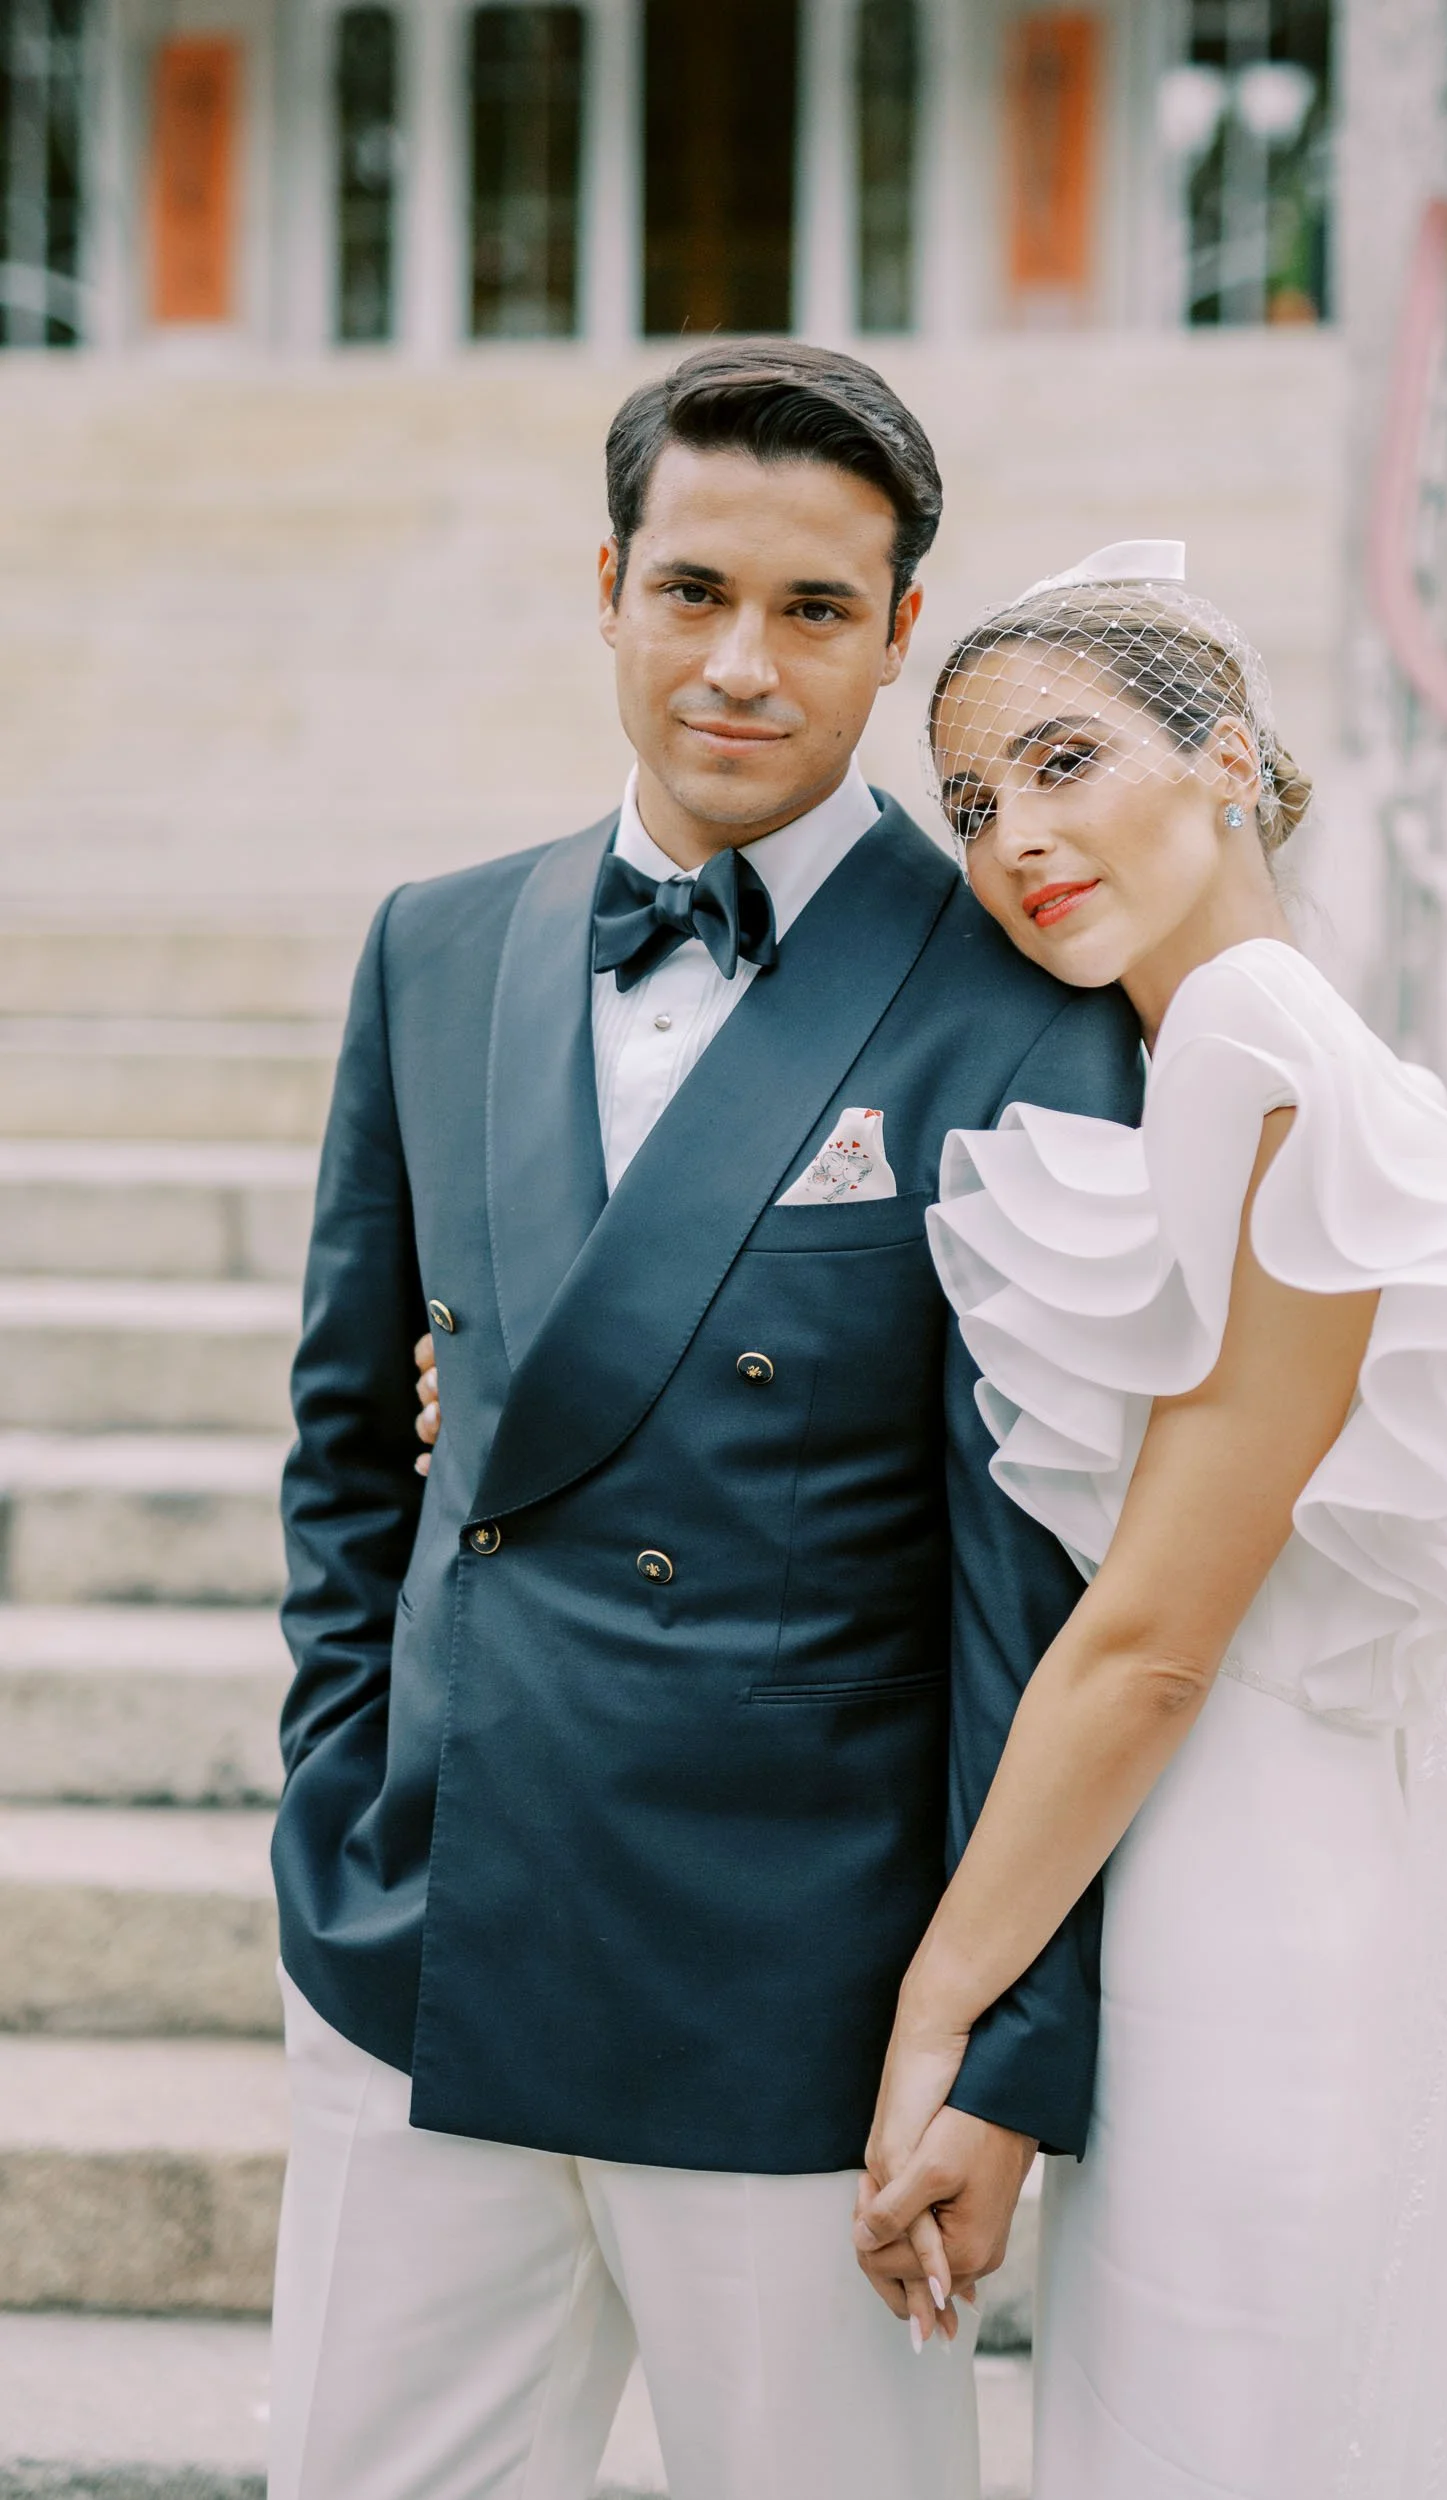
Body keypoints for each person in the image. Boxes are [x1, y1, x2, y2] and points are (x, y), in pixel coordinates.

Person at [267, 345, 1141, 2500]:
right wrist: (333, 1806)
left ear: (898, 628)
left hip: (807, 2009)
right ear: (609, 583)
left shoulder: (1017, 995)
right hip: (430, 1942)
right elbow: (343, 1451)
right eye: (693, 591)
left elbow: (1038, 1587)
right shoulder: (436, 944)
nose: (741, 664)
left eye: (815, 610)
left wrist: (1002, 2051)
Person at [846, 544, 1447, 2496]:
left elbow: (1154, 1636)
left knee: (1223, 2424)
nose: (1016, 838)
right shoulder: (1248, 1046)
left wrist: (938, 1998)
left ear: (1223, 755)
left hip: (1247, 1921)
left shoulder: (1246, 1042)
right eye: (975, 802)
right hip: (1292, 1875)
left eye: (1067, 762)